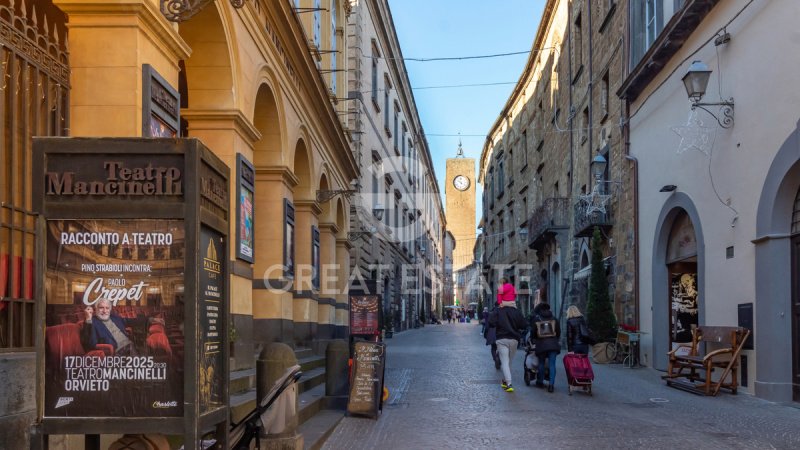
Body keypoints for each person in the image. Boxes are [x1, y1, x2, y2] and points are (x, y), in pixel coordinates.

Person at [81, 299, 163, 356]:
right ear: (96, 309)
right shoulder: (92, 322)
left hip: (128, 345)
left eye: (107, 308)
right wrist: (88, 319)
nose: (104, 311)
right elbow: (89, 343)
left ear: (110, 309)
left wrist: (151, 319)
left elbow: (132, 321)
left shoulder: (115, 317)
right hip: (115, 351)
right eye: (101, 308)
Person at [488, 300, 527, 393]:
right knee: (508, 362)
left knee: (505, 362)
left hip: (502, 339)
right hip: (514, 339)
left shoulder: (499, 310)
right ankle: (505, 381)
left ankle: (508, 383)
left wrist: (496, 311)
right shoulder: (516, 311)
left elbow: (491, 322)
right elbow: (524, 325)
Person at [532, 302, 560, 393]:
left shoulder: (537, 319)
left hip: (541, 345)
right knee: (552, 364)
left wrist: (534, 341)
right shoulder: (554, 318)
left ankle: (540, 381)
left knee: (541, 363)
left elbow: (533, 333)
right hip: (553, 344)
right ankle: (551, 385)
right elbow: (558, 332)